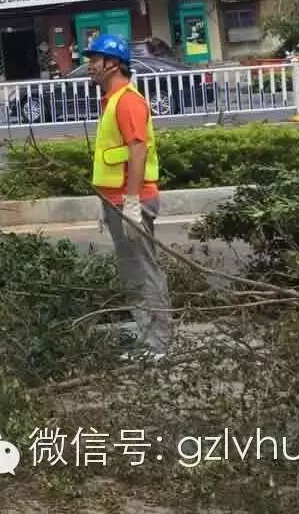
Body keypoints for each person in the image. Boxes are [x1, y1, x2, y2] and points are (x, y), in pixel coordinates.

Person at [85, 33, 171, 359]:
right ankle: (148, 338)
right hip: (118, 201)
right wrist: (107, 201)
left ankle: (158, 345)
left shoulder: (127, 101)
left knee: (144, 271)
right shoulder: (112, 100)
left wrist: (132, 202)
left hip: (131, 201)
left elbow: (138, 151)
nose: (90, 66)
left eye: (95, 60)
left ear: (113, 64)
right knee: (133, 273)